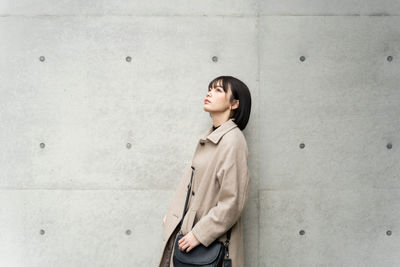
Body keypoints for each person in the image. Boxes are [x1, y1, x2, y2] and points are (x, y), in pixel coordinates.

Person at [158, 76, 252, 267]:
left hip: (209, 242)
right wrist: (174, 216)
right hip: (189, 234)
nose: (209, 93)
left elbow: (232, 202)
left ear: (234, 103)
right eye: (210, 89)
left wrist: (200, 234)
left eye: (218, 90)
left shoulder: (232, 140)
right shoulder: (210, 138)